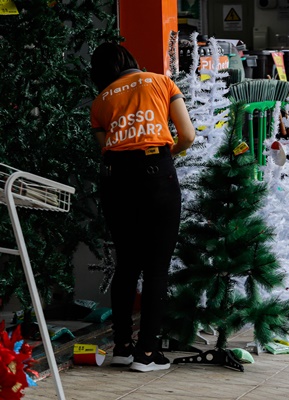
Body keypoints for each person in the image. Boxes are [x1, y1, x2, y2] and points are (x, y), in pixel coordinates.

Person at [89, 43, 195, 372]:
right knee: (156, 268)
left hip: (117, 182)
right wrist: (165, 158)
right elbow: (187, 135)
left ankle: (122, 347)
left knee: (127, 264)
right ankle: (147, 353)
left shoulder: (100, 101)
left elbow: (107, 149)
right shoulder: (162, 82)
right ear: (131, 61)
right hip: (156, 176)